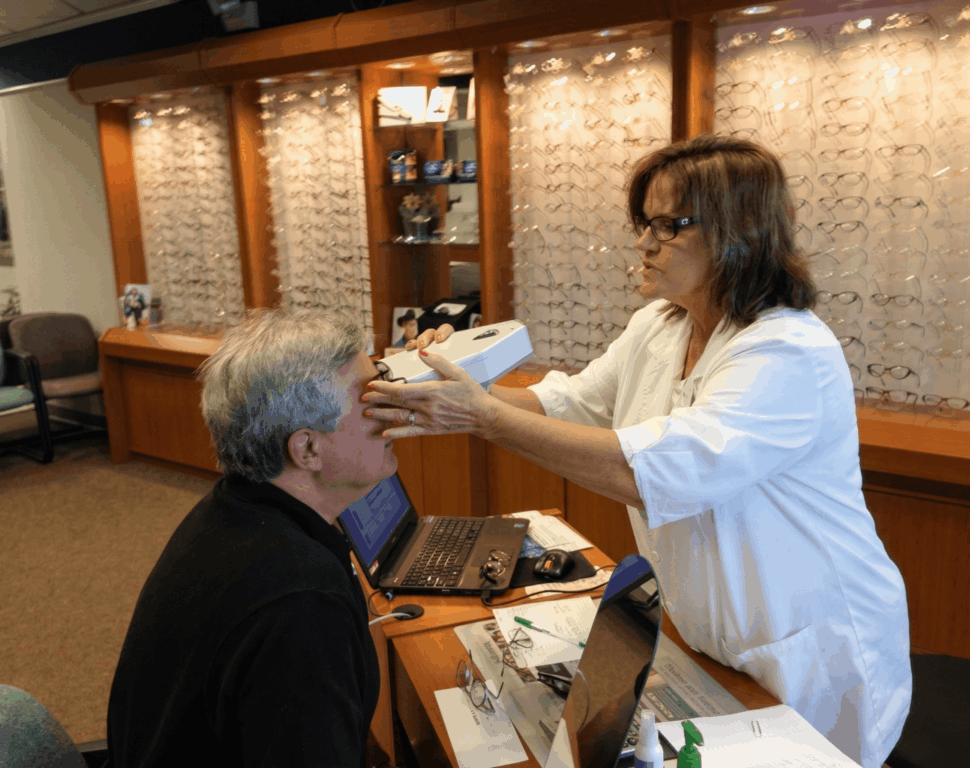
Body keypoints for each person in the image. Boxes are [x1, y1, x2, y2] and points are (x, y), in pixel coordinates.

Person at [366, 135, 912, 768]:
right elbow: (569, 402)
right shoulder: (661, 323)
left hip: (806, 646)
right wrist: (446, 390)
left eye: (668, 225)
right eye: (643, 224)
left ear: (741, 230)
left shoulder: (787, 352)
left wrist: (482, 417)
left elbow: (650, 468)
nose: (645, 244)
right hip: (711, 634)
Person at [107, 308, 394, 767]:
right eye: (369, 399)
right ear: (307, 449)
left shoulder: (230, 513)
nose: (391, 411)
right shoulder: (300, 600)